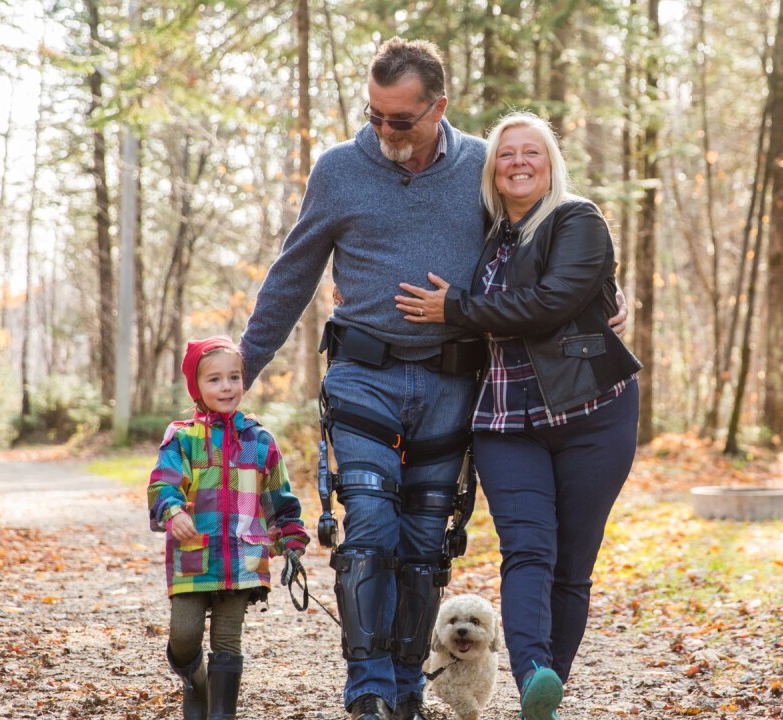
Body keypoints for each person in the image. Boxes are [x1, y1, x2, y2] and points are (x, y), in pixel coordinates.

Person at [238, 37, 489, 720]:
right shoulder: (341, 170)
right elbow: (293, 273)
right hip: (364, 375)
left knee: (423, 540)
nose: (383, 132)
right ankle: (368, 686)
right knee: (370, 525)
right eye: (374, 115)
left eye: (400, 120)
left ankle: (408, 686)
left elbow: (538, 248)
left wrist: (597, 297)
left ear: (439, 106)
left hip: (448, 383)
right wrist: (241, 366)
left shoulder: (485, 167)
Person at [396, 111, 642, 720]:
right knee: (528, 550)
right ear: (493, 170)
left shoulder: (576, 218)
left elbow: (552, 303)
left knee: (573, 562)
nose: (519, 163)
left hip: (592, 411)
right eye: (506, 155)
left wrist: (456, 307)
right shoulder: (487, 234)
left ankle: (545, 697)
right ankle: (533, 672)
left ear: (551, 162)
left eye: (532, 152)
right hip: (505, 417)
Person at [148, 336, 310, 720]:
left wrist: (290, 540)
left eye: (234, 378)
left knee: (227, 640)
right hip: (194, 555)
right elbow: (162, 483)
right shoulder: (183, 438)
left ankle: (222, 714)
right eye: (215, 379)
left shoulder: (260, 440)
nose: (226, 387)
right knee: (184, 636)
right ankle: (195, 678)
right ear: (197, 387)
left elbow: (278, 498)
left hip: (244, 556)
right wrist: (173, 511)